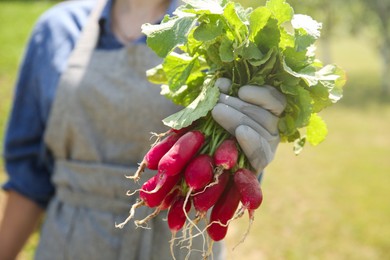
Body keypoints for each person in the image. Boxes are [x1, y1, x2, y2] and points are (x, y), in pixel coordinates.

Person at [0, 0, 286, 259]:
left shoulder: (218, 30)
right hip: (68, 246)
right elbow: (29, 180)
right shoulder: (57, 29)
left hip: (178, 243)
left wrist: (245, 159)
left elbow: (223, 179)